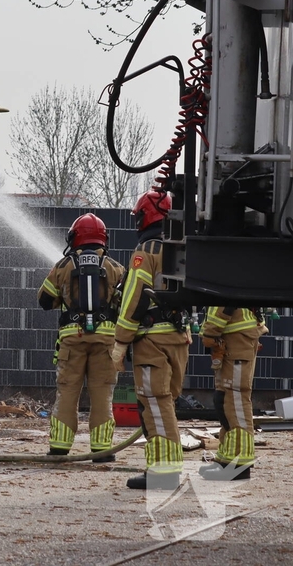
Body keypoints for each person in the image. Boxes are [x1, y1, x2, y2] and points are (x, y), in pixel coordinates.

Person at [111, 189, 190, 490]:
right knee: (164, 403)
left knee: (155, 405)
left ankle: (164, 472)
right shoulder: (183, 246)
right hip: (179, 337)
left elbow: (134, 297)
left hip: (152, 340)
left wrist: (120, 341)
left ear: (146, 217)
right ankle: (164, 467)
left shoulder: (145, 251)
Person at [38, 213, 125, 461]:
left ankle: (59, 447)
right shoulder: (116, 268)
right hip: (106, 342)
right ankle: (102, 451)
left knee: (67, 392)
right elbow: (125, 304)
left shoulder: (62, 266)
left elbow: (44, 300)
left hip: (71, 341)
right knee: (102, 394)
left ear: (74, 237)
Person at [198, 306, 266, 480]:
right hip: (232, 336)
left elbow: (223, 300)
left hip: (237, 337)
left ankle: (239, 465)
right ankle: (226, 459)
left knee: (236, 401)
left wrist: (210, 331)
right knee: (224, 401)